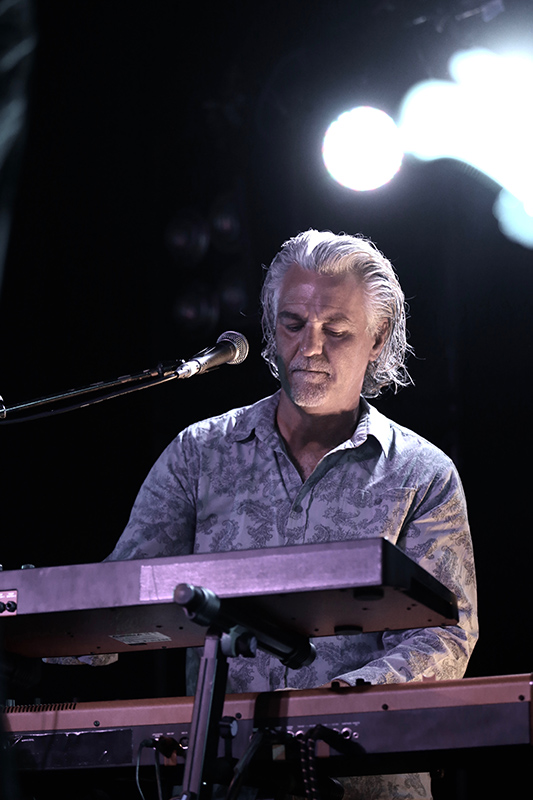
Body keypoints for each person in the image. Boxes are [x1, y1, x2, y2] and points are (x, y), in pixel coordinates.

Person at [106, 230, 478, 799]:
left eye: (336, 331)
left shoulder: (422, 473)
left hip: (366, 780)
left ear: (377, 339)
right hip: (222, 778)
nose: (310, 347)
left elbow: (445, 634)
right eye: (293, 324)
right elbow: (118, 602)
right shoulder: (199, 454)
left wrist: (332, 704)